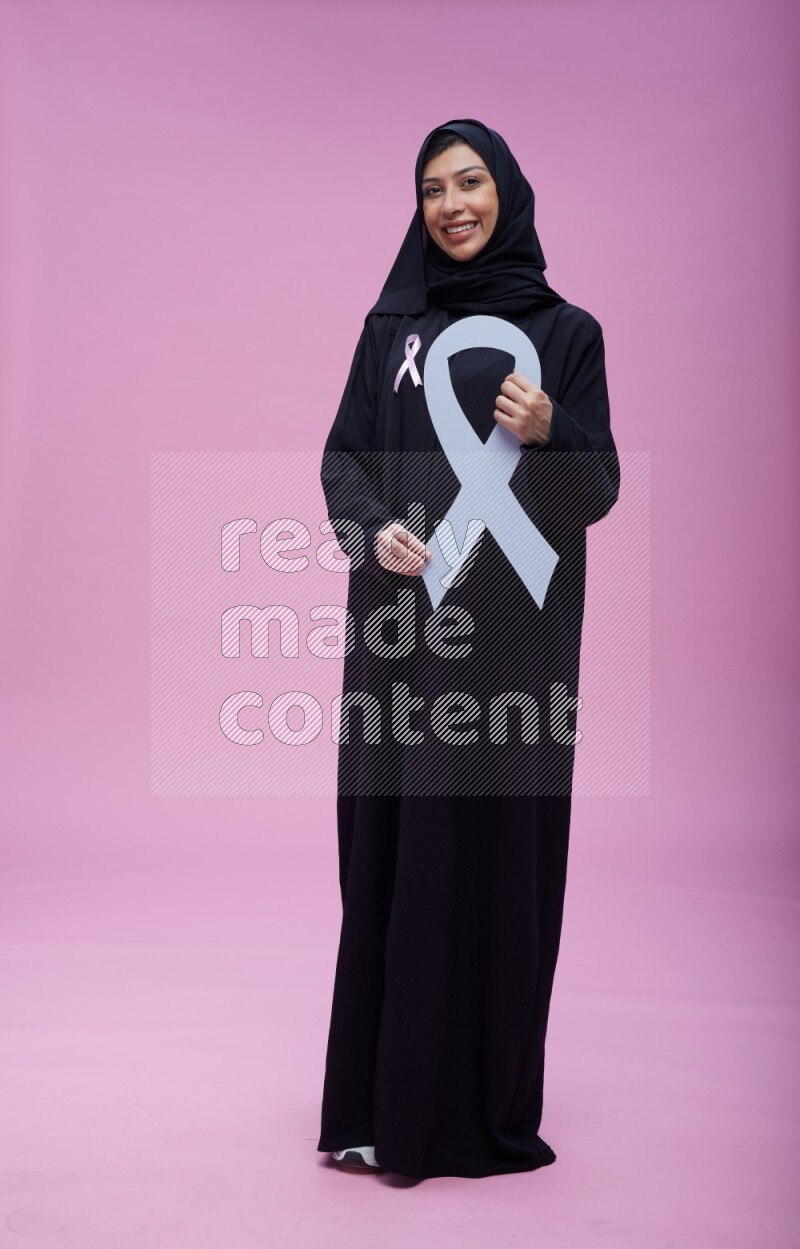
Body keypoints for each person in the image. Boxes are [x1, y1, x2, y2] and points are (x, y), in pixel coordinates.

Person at [316, 118, 620, 1180]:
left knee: (491, 863)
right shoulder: (387, 327)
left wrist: (552, 430)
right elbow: (340, 460)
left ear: (507, 192)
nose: (450, 205)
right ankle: (373, 1109)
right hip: (399, 640)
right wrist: (370, 529)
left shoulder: (567, 336)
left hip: (512, 660)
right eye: (432, 188)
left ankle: (474, 1110)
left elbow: (592, 495)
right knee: (389, 854)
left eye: (469, 182)